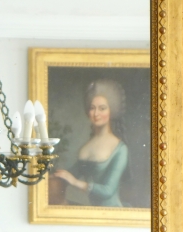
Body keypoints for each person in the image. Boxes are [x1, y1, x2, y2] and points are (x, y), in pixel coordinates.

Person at [53, 79, 129, 207]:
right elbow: (69, 175)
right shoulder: (86, 147)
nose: (96, 114)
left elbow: (108, 191)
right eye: (92, 108)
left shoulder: (120, 149)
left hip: (113, 213)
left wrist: (75, 182)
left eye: (102, 108)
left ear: (112, 111)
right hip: (93, 213)